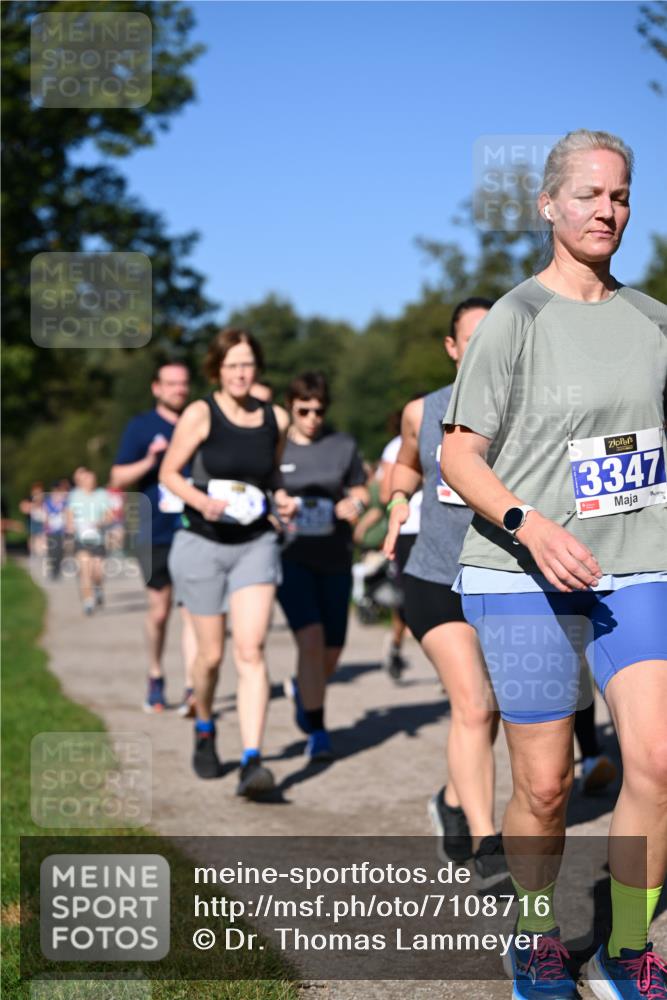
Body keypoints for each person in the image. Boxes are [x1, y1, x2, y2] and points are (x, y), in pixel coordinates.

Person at [441, 130, 666, 999]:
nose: (605, 211)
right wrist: (529, 525)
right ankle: (533, 935)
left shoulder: (651, 322)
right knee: (543, 786)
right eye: (587, 196)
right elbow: (460, 456)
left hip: (638, 562)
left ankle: (625, 945)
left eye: (619, 196)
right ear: (546, 205)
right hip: (523, 569)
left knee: (652, 760)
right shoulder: (514, 318)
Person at [384, 297, 507, 880]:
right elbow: (406, 464)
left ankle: (453, 800)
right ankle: (489, 847)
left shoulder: (528, 410)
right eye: (471, 339)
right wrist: (396, 501)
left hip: (505, 579)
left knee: (503, 711)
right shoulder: (422, 411)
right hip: (436, 577)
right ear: (453, 349)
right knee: (475, 705)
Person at [160, 328, 297, 796]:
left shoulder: (274, 418)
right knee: (211, 656)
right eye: (232, 364)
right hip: (201, 542)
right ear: (217, 369)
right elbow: (168, 473)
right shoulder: (201, 413)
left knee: (251, 650)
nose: (241, 373)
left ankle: (252, 761)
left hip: (255, 544)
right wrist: (200, 500)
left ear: (257, 369)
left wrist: (283, 500)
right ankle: (204, 726)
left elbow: (271, 475)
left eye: (248, 364)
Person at [277, 371, 368, 760]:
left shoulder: (342, 445)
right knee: (310, 640)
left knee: (331, 652)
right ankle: (317, 730)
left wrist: (357, 504)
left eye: (319, 410)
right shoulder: (276, 449)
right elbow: (259, 491)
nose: (312, 417)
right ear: (290, 407)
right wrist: (276, 501)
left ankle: (302, 689)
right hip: (290, 556)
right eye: (304, 410)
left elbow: (361, 488)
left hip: (335, 557)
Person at [111, 360, 197, 715]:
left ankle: (193, 687)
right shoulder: (142, 426)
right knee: (159, 612)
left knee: (194, 611)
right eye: (171, 384)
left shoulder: (199, 422)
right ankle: (156, 674)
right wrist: (150, 460)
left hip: (194, 530)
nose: (178, 389)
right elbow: (117, 477)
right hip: (154, 531)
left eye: (183, 383)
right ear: (156, 388)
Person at [378, 414, 423, 679]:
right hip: (409, 529)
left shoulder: (449, 437)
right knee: (409, 597)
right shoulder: (396, 447)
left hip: (443, 529)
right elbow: (385, 493)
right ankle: (395, 642)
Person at [67, 468, 111, 615]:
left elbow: (109, 515)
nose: (91, 482)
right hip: (81, 538)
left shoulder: (102, 494)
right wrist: (70, 525)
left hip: (98, 539)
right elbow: (69, 513)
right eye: (87, 479)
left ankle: (98, 589)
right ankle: (88, 602)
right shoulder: (75, 495)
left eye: (93, 479)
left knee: (97, 572)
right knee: (85, 571)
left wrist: (100, 522)